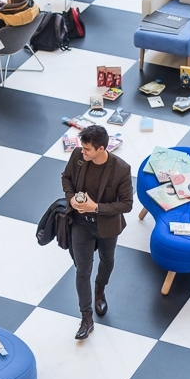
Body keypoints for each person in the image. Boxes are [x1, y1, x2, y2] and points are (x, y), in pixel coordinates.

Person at [61, 125, 133, 340]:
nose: (82, 152)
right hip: (80, 223)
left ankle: (100, 289)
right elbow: (66, 178)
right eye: (82, 148)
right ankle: (86, 317)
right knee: (82, 270)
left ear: (101, 148)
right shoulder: (78, 156)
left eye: (87, 149)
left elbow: (127, 204)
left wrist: (97, 208)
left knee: (107, 259)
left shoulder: (121, 169)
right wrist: (71, 199)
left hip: (107, 225)